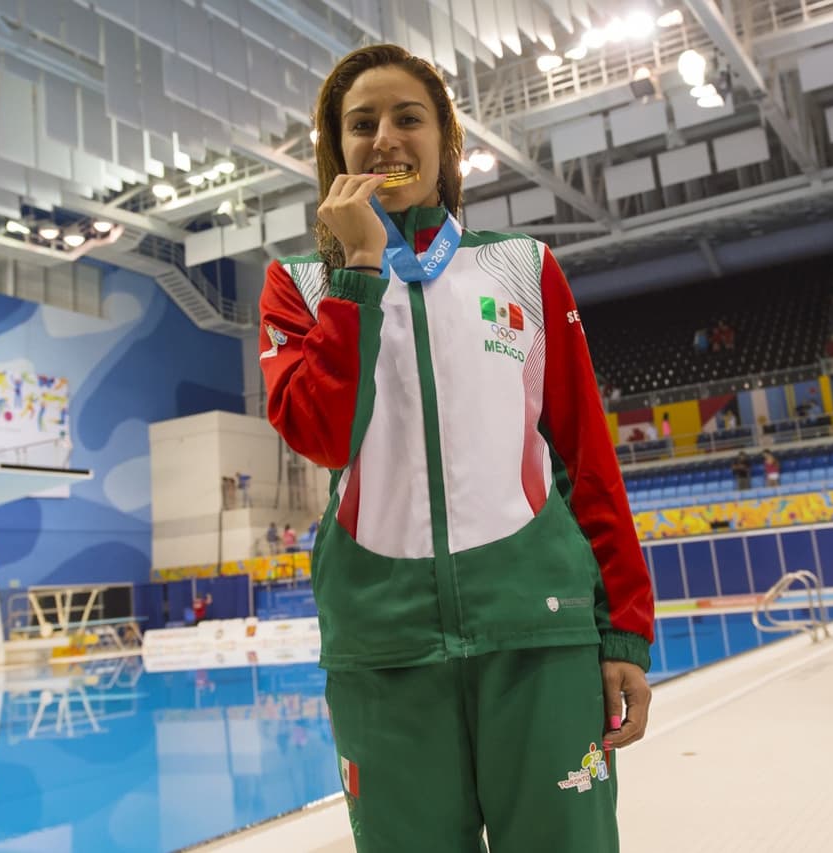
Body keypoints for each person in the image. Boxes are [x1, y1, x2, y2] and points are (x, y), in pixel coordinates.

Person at [258, 44, 653, 853]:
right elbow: (323, 433)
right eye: (360, 124)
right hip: (382, 645)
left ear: (448, 141)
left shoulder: (522, 268)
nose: (386, 139)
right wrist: (359, 268)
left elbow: (586, 458)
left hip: (537, 632)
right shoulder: (297, 286)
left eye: (410, 117)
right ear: (336, 150)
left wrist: (624, 632)